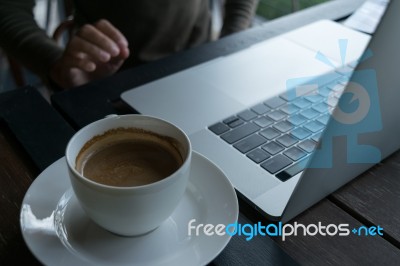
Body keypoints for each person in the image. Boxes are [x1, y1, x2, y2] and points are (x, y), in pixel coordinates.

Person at [0, 0, 258, 90]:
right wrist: (55, 63)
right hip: (107, 86)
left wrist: (231, 41)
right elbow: (8, 9)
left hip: (203, 68)